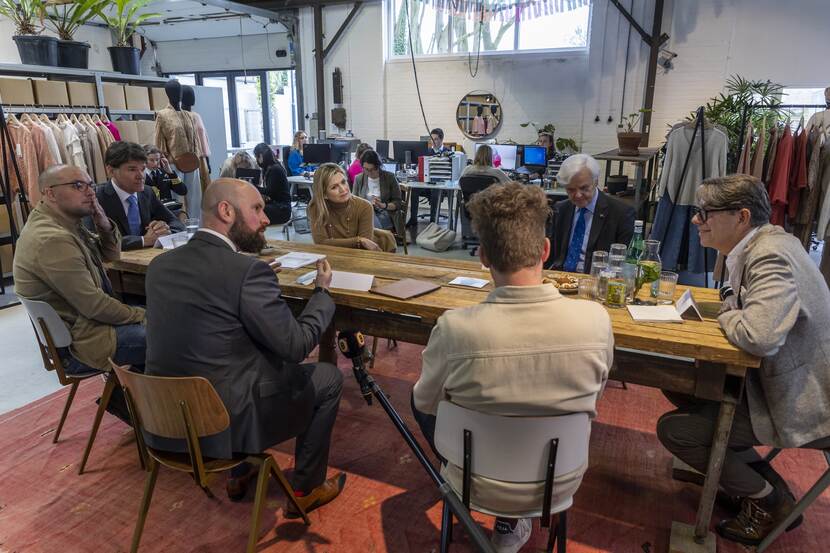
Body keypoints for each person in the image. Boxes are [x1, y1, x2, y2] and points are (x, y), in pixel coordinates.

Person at [412, 182, 613, 553]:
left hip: (475, 480)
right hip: (560, 478)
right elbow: (593, 400)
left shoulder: (454, 328)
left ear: (483, 257)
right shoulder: (596, 322)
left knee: (425, 398)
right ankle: (514, 521)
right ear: (546, 250)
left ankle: (503, 515)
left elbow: (425, 403)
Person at [144, 178, 347, 515]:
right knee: (328, 378)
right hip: (224, 426)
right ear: (226, 211)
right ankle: (305, 489)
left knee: (225, 362)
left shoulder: (160, 266)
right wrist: (322, 294)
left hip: (165, 421)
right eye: (256, 209)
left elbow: (209, 314)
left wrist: (248, 278)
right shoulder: (246, 272)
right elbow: (295, 346)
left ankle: (242, 471)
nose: (266, 218)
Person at [656, 174, 830, 546]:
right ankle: (748, 473)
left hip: (805, 400)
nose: (695, 219)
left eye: (705, 213)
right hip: (782, 382)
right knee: (678, 382)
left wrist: (726, 313)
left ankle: (768, 501)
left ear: (742, 216)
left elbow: (759, 335)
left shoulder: (769, 254)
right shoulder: (766, 244)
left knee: (675, 431)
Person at [13, 164, 146, 420]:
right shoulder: (52, 238)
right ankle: (155, 416)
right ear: (50, 193)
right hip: (81, 344)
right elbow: (95, 306)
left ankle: (133, 402)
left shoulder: (62, 223)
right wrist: (142, 315)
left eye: (89, 185)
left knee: (162, 326)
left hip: (83, 329)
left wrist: (103, 222)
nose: (89, 193)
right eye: (77, 186)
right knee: (169, 335)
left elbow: (110, 255)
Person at [545, 153, 635, 273]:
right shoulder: (560, 209)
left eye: (583, 188)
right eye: (571, 190)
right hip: (561, 278)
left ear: (596, 182)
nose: (577, 195)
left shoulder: (621, 214)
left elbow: (623, 264)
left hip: (595, 280)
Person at [96, 142, 185, 251]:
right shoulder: (96, 196)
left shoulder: (147, 192)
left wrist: (164, 231)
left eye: (143, 169)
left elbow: (176, 223)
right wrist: (144, 240)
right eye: (132, 169)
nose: (141, 176)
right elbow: (96, 240)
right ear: (111, 171)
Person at [308, 163, 396, 252]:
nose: (343, 189)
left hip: (362, 258)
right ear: (324, 194)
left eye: (343, 182)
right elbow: (320, 243)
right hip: (333, 257)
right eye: (334, 187)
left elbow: (364, 247)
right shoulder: (316, 206)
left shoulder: (364, 206)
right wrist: (358, 240)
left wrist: (332, 242)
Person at [352, 149, 404, 235]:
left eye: (372, 169)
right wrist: (367, 205)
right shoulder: (359, 179)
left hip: (386, 212)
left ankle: (378, 239)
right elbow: (353, 201)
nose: (369, 172)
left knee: (370, 219)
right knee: (369, 214)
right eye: (366, 169)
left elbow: (398, 203)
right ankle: (382, 239)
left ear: (378, 166)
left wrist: (383, 205)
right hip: (366, 214)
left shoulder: (389, 177)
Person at [407, 128, 451, 228]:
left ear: (441, 139)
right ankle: (413, 219)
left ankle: (433, 221)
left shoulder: (448, 152)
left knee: (435, 191)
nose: (433, 141)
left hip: (441, 185)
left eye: (435, 139)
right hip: (426, 183)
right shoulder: (426, 152)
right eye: (432, 139)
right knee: (414, 190)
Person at [252, 143, 292, 225]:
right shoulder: (270, 168)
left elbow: (269, 192)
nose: (256, 160)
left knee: (252, 210)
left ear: (261, 156)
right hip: (279, 206)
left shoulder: (274, 169)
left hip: (282, 210)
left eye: (256, 157)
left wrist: (252, 187)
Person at [144, 145, 187, 216]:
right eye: (151, 160)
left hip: (167, 212)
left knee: (183, 216)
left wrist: (170, 172)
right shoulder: (141, 175)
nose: (155, 163)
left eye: (157, 160)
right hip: (149, 214)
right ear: (144, 160)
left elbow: (182, 191)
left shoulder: (164, 173)